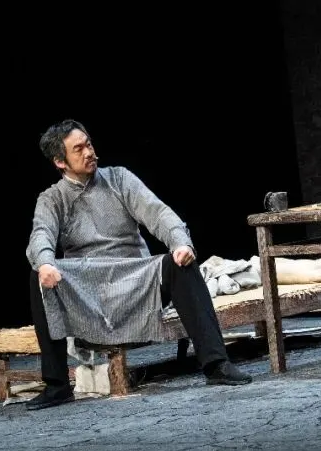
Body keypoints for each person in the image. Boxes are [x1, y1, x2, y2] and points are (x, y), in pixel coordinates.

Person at [25, 119, 252, 410]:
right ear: (60, 161)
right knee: (38, 274)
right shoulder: (53, 198)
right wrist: (45, 263)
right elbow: (41, 235)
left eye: (89, 144)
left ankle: (216, 364)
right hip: (89, 290)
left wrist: (181, 243)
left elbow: (158, 213)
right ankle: (57, 385)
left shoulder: (119, 179)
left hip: (135, 278)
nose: (89, 152)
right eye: (78, 149)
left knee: (179, 263)